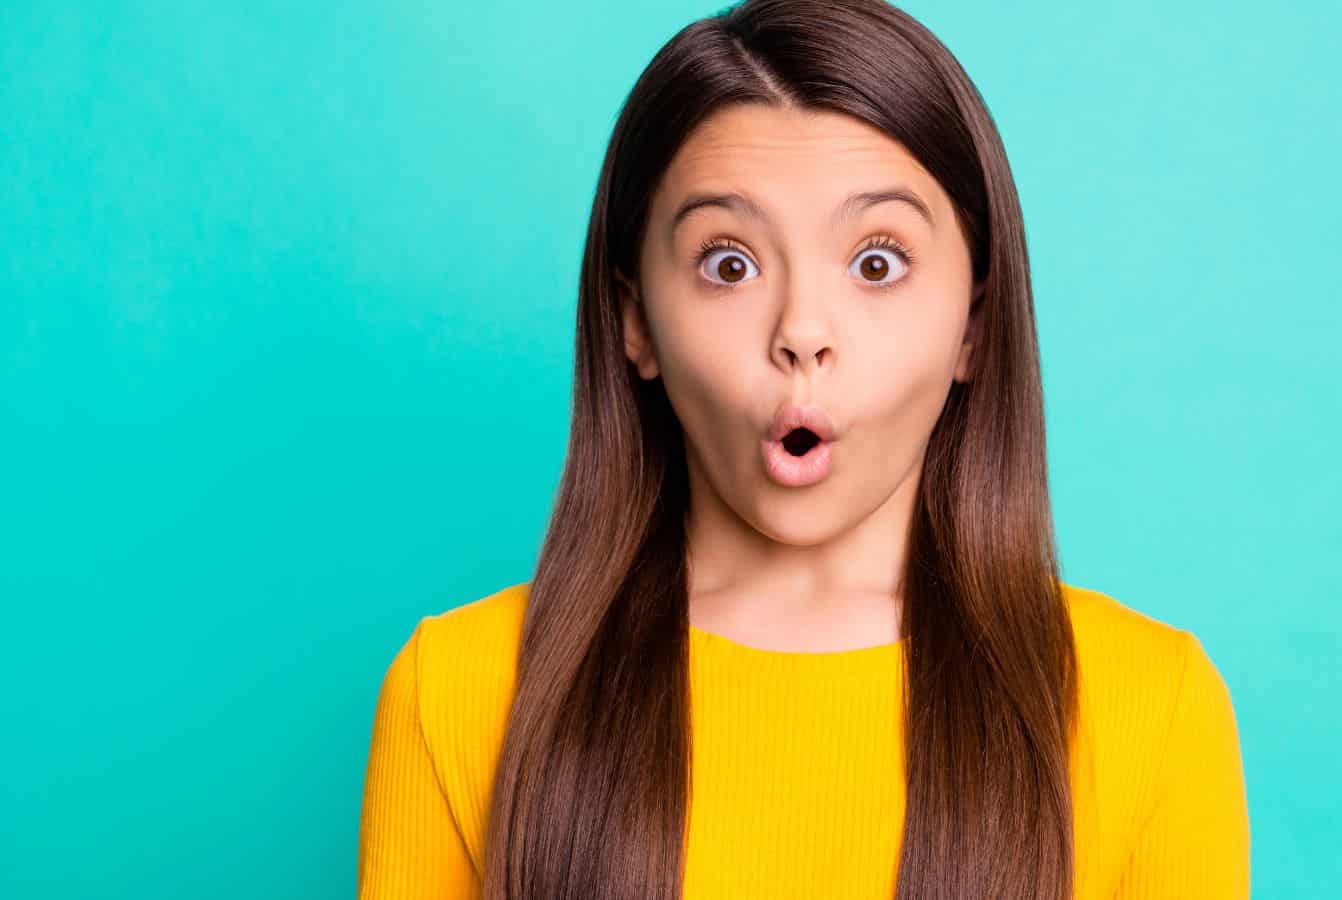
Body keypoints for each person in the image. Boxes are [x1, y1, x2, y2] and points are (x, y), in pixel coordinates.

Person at [357, 1, 1249, 897]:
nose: (802, 333)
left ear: (975, 323)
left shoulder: (1151, 708)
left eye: (877, 262)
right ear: (635, 322)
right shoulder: (461, 692)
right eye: (728, 264)